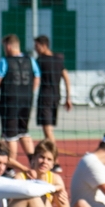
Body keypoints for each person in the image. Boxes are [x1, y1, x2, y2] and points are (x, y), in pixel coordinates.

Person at [15, 139, 85, 207]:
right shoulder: (20, 177)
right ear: (33, 158)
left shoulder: (55, 179)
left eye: (49, 159)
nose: (44, 162)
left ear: (53, 164)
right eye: (41, 157)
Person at [0, 34, 40, 170]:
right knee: (24, 132)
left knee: (11, 136)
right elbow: (37, 77)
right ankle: (33, 161)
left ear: (8, 46)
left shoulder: (5, 61)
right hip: (27, 100)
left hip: (10, 101)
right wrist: (30, 91)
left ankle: (10, 167)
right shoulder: (30, 59)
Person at [33, 35, 73, 172]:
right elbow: (67, 78)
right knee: (48, 131)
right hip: (56, 97)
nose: (35, 49)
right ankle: (52, 159)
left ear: (43, 45)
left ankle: (55, 161)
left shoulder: (40, 60)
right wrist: (68, 97)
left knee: (48, 131)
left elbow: (35, 78)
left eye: (36, 46)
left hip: (45, 98)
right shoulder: (58, 60)